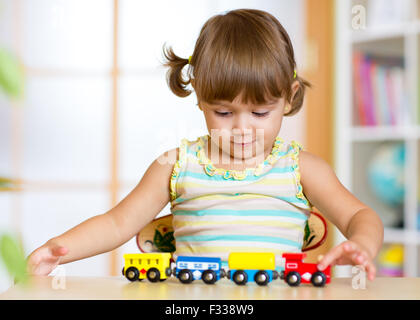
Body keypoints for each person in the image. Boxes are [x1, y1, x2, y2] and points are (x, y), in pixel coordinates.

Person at [27, 8, 383, 281]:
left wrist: (362, 245)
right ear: (199, 96)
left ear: (288, 98)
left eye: (260, 112)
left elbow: (359, 216)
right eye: (224, 112)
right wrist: (58, 250)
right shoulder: (175, 164)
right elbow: (118, 223)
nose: (243, 129)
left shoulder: (301, 168)